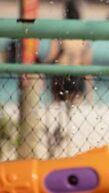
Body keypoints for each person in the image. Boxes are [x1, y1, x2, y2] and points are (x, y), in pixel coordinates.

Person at [43, 0, 92, 158]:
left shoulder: (60, 33)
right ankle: (71, 149)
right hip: (77, 78)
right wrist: (91, 91)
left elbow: (51, 57)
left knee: (59, 112)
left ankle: (58, 148)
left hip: (61, 77)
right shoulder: (83, 35)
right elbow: (87, 65)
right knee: (73, 114)